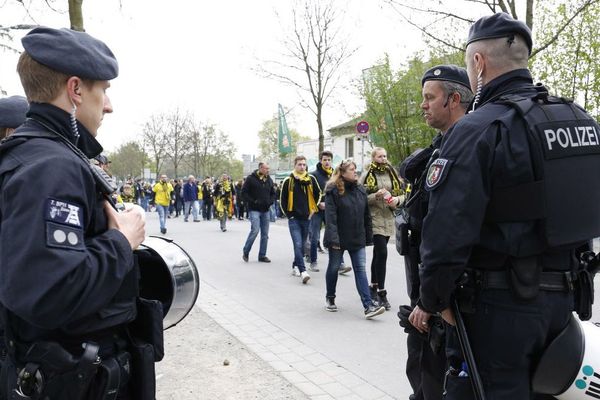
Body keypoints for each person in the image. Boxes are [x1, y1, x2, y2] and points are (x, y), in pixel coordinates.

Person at [409, 13, 600, 399]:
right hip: (562, 306)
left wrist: (433, 301)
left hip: (498, 311)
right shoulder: (581, 121)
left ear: (478, 64)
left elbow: (446, 232)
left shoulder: (478, 129)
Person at [0, 27, 151, 399]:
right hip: (70, 378)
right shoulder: (52, 167)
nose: (110, 105)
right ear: (75, 90)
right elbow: (50, 292)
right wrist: (122, 240)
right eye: (104, 90)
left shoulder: (36, 155)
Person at [398, 65, 472, 400]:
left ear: (454, 99)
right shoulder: (437, 150)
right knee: (423, 378)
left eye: (430, 98)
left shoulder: (468, 150)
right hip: (426, 295)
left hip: (447, 305)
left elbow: (451, 236)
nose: (423, 105)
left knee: (439, 385)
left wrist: (432, 303)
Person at [323, 159, 385, 319]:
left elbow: (366, 215)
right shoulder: (333, 190)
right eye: (352, 169)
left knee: (360, 269)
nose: (355, 171)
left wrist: (368, 236)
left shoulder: (360, 189)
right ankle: (330, 297)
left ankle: (368, 306)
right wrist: (334, 240)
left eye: (356, 168)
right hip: (338, 238)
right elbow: (331, 218)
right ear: (342, 173)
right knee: (334, 267)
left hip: (356, 237)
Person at [361, 147, 404, 310]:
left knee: (378, 253)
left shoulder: (392, 173)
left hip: (389, 217)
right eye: (380, 156)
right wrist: (376, 195)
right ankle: (381, 292)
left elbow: (402, 194)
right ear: (373, 158)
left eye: (385, 156)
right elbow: (361, 197)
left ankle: (372, 285)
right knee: (383, 253)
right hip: (375, 218)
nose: (383, 159)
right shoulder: (367, 175)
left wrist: (396, 200)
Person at [280, 155, 322, 284]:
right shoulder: (289, 180)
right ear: (295, 165)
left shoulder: (311, 179)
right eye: (299, 164)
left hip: (307, 218)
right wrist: (289, 215)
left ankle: (295, 265)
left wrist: (313, 210)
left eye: (304, 164)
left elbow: (318, 194)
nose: (302, 167)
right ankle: (303, 271)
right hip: (294, 219)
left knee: (303, 245)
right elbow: (283, 200)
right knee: (298, 244)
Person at [242, 162, 276, 263]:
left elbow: (273, 194)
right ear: (260, 168)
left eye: (268, 169)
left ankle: (262, 255)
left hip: (265, 210)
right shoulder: (250, 179)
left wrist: (270, 202)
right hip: (254, 209)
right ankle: (246, 251)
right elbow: (244, 192)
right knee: (255, 230)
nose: (268, 170)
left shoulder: (269, 179)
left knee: (265, 234)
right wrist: (253, 201)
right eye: (266, 168)